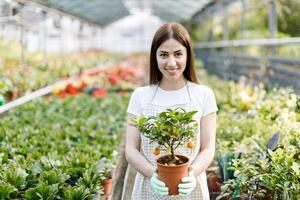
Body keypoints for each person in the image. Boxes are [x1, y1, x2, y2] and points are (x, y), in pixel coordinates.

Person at [125, 22, 218, 200]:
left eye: (178, 54)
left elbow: (208, 148)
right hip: (149, 190)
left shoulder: (203, 94)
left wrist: (192, 173)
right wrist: (152, 173)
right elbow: (131, 149)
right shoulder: (140, 96)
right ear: (155, 57)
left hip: (191, 191)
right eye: (163, 55)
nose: (171, 62)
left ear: (188, 55)